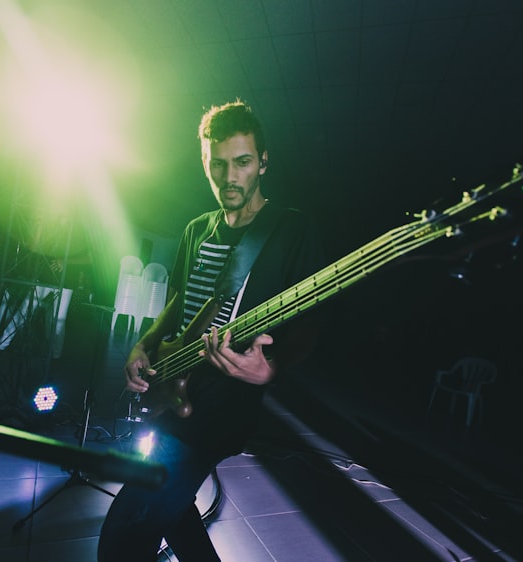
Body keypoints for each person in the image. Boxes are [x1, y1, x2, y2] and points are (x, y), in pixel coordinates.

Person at [97, 100, 325, 561]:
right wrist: (143, 345)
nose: (229, 177)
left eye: (242, 162)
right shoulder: (197, 229)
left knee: (126, 530)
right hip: (172, 390)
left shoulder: (289, 229)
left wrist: (270, 371)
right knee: (176, 513)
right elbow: (178, 306)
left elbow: (313, 323)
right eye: (216, 164)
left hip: (223, 407)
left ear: (262, 162)